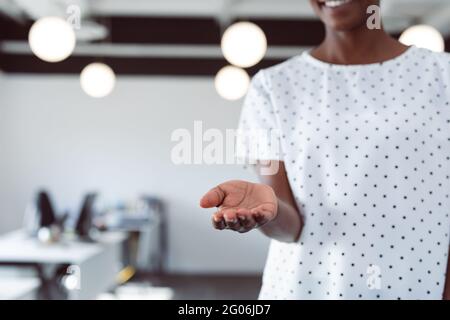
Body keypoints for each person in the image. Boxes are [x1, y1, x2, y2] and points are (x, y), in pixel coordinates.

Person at [200, 0, 450, 299]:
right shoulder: (272, 87)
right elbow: (290, 228)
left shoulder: (442, 75)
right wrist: (270, 211)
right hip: (305, 289)